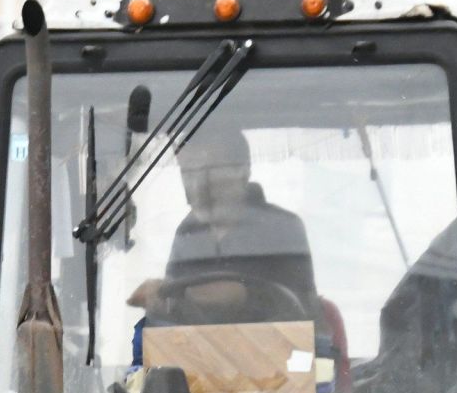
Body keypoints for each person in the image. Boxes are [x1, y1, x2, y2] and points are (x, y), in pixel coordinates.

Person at [128, 127, 319, 324]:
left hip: (273, 352)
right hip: (195, 353)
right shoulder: (187, 233)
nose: (196, 186)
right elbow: (177, 319)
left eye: (210, 171)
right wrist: (160, 300)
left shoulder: (282, 228)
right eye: (188, 173)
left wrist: (245, 295)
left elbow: (305, 317)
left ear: (242, 169)